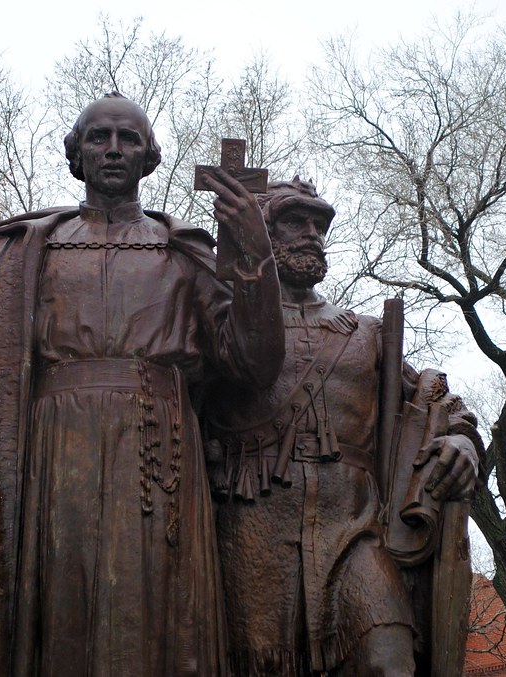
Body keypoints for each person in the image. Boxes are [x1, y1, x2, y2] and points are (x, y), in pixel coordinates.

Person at [0, 92, 284, 676]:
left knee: (157, 609)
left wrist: (252, 254)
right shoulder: (27, 248)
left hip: (157, 452)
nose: (113, 149)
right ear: (76, 154)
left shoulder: (182, 253)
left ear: (149, 158)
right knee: (62, 599)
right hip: (54, 448)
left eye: (129, 139)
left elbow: (254, 363)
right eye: (99, 138)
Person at [207, 178, 482, 676]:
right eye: (295, 220)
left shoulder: (367, 334)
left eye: (320, 223)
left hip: (353, 533)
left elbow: (436, 404)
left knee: (391, 662)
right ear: (259, 231)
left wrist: (462, 440)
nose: (312, 233)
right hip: (252, 533)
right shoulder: (222, 328)